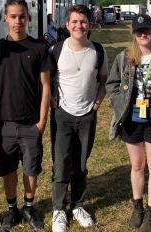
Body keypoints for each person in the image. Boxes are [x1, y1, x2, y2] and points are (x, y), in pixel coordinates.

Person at [106, 15, 151, 232]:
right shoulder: (124, 58)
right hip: (131, 122)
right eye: (139, 31)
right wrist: (120, 105)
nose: (143, 34)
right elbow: (112, 85)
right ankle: (137, 205)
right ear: (134, 34)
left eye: (147, 30)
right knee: (137, 166)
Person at [0, 0, 52, 230]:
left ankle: (29, 207)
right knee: (8, 169)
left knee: (31, 168)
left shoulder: (39, 48)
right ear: (5, 18)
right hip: (4, 124)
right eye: (13, 16)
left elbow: (46, 86)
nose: (17, 21)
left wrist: (41, 121)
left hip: (31, 123)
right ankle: (12, 209)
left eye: (22, 16)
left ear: (29, 18)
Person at [49, 5, 108, 232]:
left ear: (89, 24)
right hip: (62, 115)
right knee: (61, 162)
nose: (79, 26)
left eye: (83, 22)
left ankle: (77, 205)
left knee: (81, 164)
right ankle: (58, 210)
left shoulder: (98, 51)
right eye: (74, 22)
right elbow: (47, 79)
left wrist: (98, 101)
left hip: (87, 116)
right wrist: (52, 101)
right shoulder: (56, 50)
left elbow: (103, 80)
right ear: (67, 24)